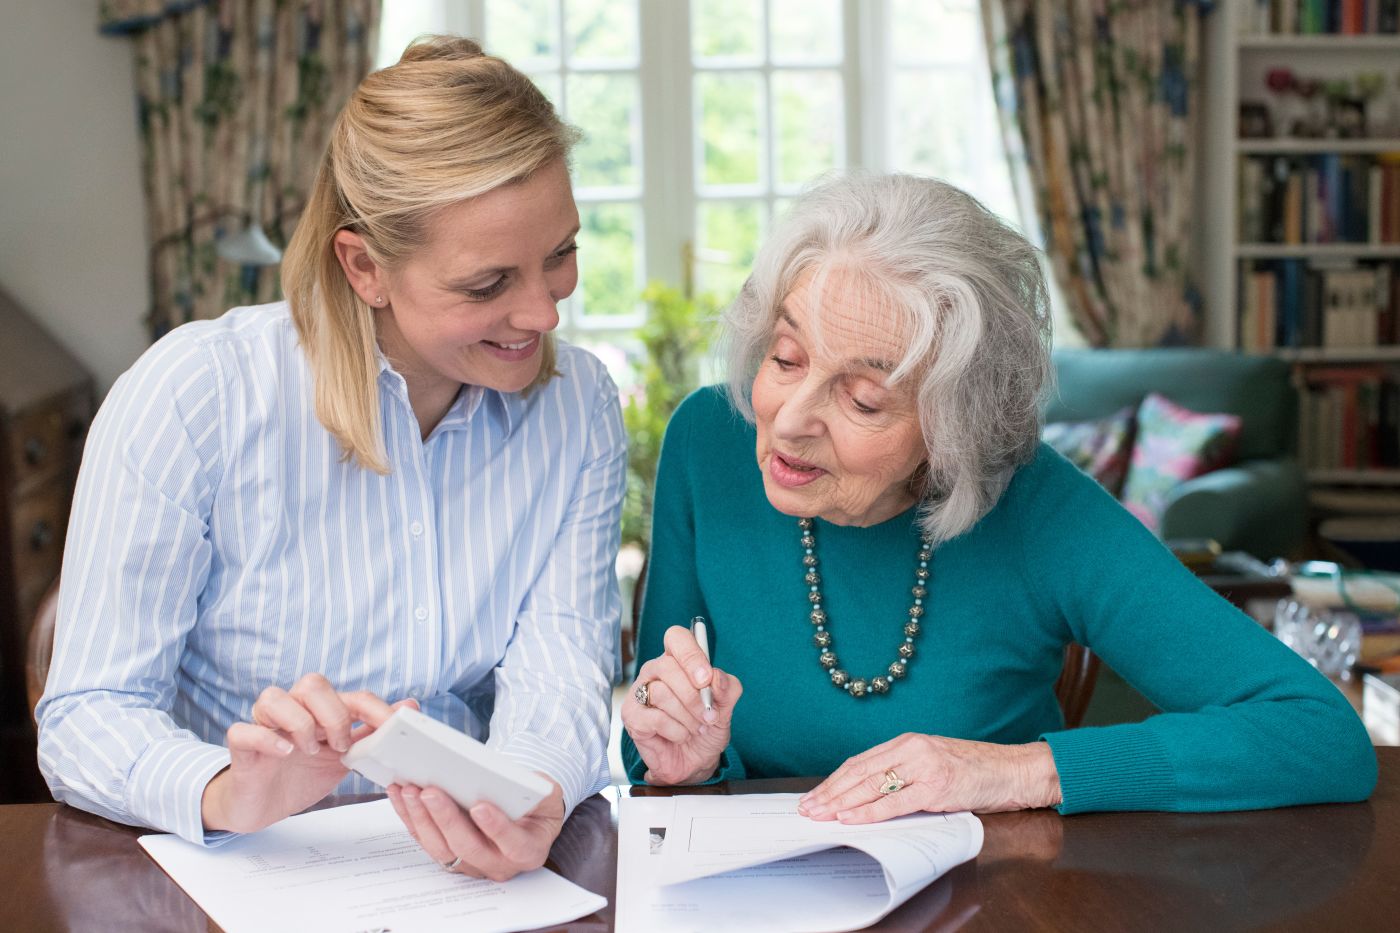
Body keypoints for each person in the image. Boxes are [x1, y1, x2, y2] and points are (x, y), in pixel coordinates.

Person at [38, 36, 625, 882]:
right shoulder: (196, 396)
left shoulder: (579, 406)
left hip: (461, 879)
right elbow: (87, 714)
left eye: (561, 255)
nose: (543, 312)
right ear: (365, 266)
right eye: (488, 283)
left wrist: (529, 792)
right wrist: (225, 789)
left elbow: (562, 662)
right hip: (239, 872)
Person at [621, 172, 1377, 819]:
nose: (787, 419)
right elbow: (648, 745)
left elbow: (1318, 732)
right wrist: (680, 755)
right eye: (786, 357)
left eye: (862, 400)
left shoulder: (1038, 506)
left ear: (954, 425)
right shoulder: (709, 442)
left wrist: (1010, 772)